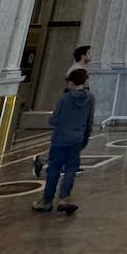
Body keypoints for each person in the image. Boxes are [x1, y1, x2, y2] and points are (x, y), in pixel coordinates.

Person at [33, 67, 95, 214]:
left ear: (71, 83)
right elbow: (89, 121)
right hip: (77, 139)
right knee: (71, 169)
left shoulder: (65, 99)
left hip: (60, 138)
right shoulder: (90, 98)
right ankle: (64, 198)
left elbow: (54, 119)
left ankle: (47, 201)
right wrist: (85, 138)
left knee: (54, 169)